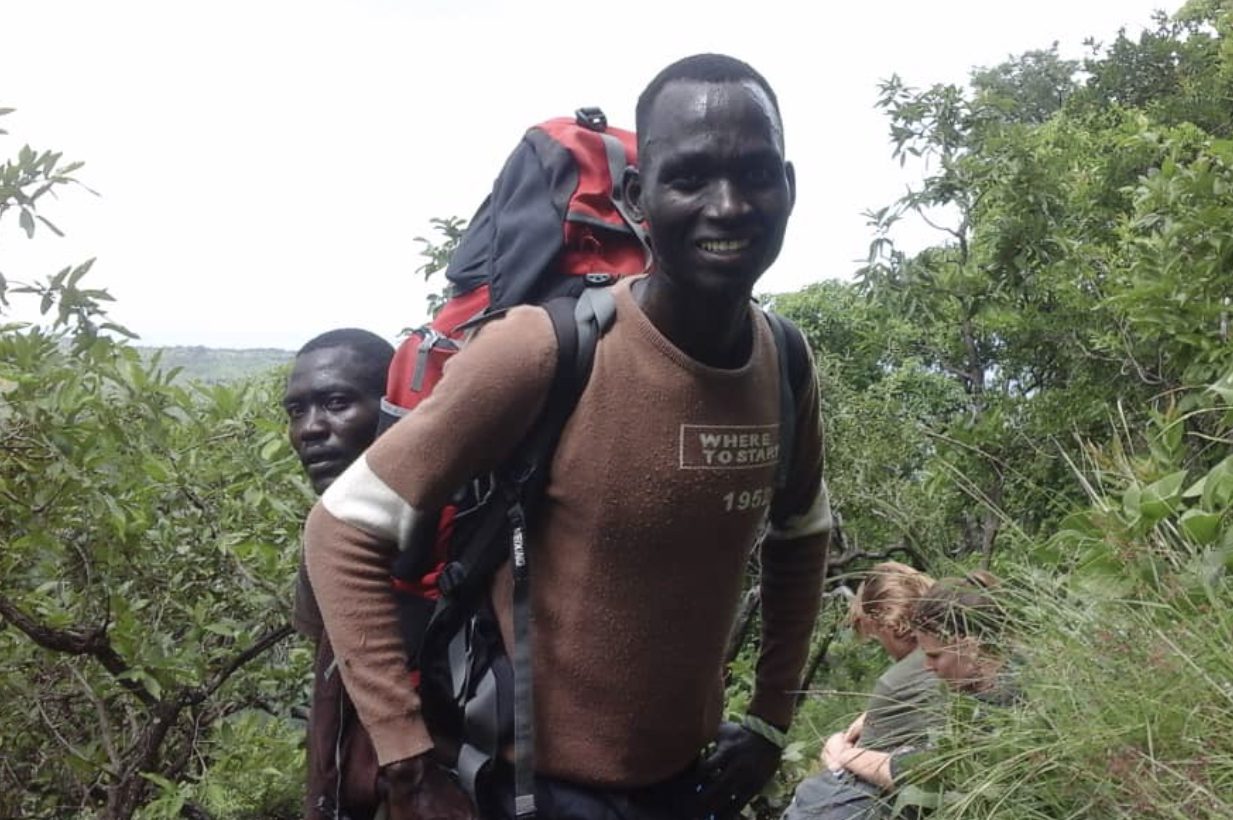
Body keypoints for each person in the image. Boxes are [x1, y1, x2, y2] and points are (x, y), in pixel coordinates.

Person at [305, 52, 832, 820]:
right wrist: (409, 768)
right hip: (526, 790)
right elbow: (340, 529)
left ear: (786, 188)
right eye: (689, 178)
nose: (728, 206)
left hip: (686, 784)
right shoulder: (544, 349)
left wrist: (768, 718)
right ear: (638, 196)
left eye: (753, 176)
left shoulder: (782, 358)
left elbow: (802, 529)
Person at [283, 327, 395, 820]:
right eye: (296, 411)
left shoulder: (469, 522)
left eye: (335, 402)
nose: (310, 428)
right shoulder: (327, 530)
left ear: (393, 407)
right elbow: (331, 682)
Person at [816, 572, 1014, 814]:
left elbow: (922, 772)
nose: (927, 666)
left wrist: (845, 755)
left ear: (969, 645)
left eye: (933, 656)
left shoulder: (1004, 699)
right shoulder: (1003, 674)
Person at [782, 562, 943, 820]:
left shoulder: (897, 680)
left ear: (888, 627)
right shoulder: (949, 654)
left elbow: (850, 771)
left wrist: (839, 750)